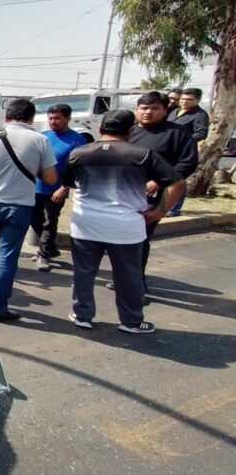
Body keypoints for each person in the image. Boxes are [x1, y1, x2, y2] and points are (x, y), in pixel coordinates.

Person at [63, 110, 184, 334]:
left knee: (84, 272)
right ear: (131, 130)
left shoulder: (78, 154)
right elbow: (176, 183)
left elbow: (70, 183)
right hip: (126, 226)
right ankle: (131, 321)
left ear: (100, 129)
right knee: (128, 275)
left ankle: (82, 315)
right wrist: (159, 212)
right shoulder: (143, 154)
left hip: (86, 224)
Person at [0, 99, 57, 322]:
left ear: (6, 116)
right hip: (20, 205)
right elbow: (51, 178)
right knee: (7, 256)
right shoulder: (41, 140)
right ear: (32, 118)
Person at [129, 91, 198, 288]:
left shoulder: (177, 133)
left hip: (155, 195)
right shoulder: (128, 131)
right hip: (125, 194)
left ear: (165, 110)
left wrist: (159, 181)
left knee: (140, 238)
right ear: (137, 110)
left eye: (154, 108)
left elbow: (188, 162)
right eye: (144, 108)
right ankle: (123, 278)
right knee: (121, 241)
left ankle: (136, 284)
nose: (148, 112)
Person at [31, 104, 87, 272]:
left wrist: (64, 188)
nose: (53, 121)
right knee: (34, 220)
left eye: (57, 118)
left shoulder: (77, 140)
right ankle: (50, 248)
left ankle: (43, 254)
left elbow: (77, 169)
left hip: (56, 190)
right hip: (35, 188)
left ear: (68, 118)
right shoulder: (43, 136)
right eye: (51, 118)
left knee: (50, 221)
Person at [166, 87, 209, 216]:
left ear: (198, 100)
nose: (185, 102)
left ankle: (174, 209)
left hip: (183, 152)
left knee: (177, 179)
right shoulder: (174, 111)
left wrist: (184, 140)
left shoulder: (199, 114)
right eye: (183, 99)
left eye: (190, 100)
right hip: (167, 149)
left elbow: (201, 133)